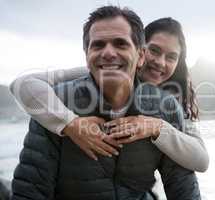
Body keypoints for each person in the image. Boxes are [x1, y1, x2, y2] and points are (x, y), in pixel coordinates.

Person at [10, 6, 201, 200]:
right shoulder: (53, 105)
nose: (108, 53)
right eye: (98, 45)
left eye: (120, 44)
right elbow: (30, 190)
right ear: (86, 55)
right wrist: (70, 123)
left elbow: (197, 165)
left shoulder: (168, 107)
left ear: (140, 55)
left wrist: (157, 126)